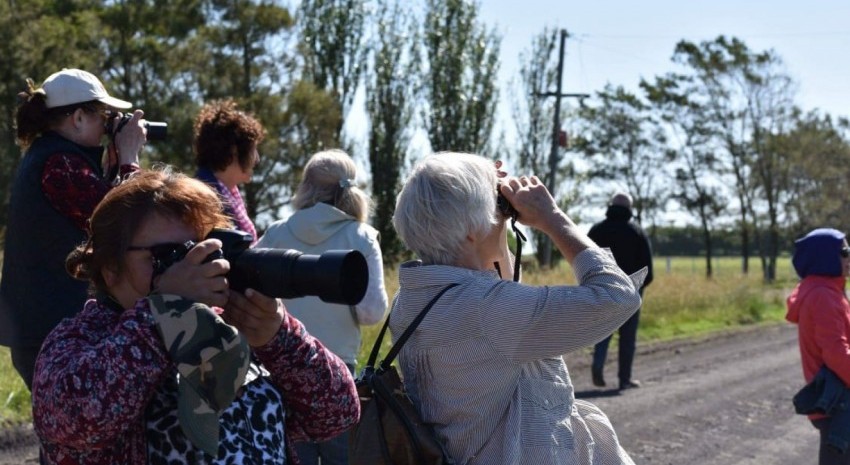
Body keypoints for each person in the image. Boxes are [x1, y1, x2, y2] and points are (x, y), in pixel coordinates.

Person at [31, 169, 360, 465]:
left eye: (201, 251)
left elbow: (337, 414)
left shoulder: (228, 331)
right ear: (111, 266)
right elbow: (81, 422)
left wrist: (279, 337)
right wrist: (162, 315)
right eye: (168, 256)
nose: (192, 269)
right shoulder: (78, 342)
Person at [389, 152, 645, 465]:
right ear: (471, 230)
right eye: (498, 204)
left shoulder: (411, 299)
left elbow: (497, 292)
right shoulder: (488, 309)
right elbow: (617, 296)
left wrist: (484, 195)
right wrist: (552, 216)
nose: (505, 213)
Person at [0, 68, 147, 390]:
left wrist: (113, 165)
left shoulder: (52, 158)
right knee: (78, 433)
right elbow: (126, 222)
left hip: (43, 330)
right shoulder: (60, 165)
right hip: (52, 334)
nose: (108, 125)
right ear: (78, 117)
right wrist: (131, 157)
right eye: (103, 116)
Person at [256, 149, 388, 465]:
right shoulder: (362, 236)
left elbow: (249, 295)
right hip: (337, 370)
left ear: (307, 187)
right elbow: (372, 313)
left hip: (280, 368)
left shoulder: (275, 232)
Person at [786, 228, 850, 465]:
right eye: (844, 251)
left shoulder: (826, 290)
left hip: (835, 398)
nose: (849, 257)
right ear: (825, 257)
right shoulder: (823, 295)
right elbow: (836, 352)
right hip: (839, 403)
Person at [587, 192, 654, 390]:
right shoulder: (637, 232)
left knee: (603, 330)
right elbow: (647, 268)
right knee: (627, 336)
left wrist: (590, 284)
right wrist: (639, 288)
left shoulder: (596, 230)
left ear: (611, 206)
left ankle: (598, 364)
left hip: (601, 289)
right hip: (630, 290)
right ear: (629, 209)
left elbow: (582, 258)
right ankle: (624, 380)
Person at [193, 98, 264, 242]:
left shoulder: (224, 194)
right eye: (252, 150)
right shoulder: (205, 201)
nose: (257, 159)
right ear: (234, 151)